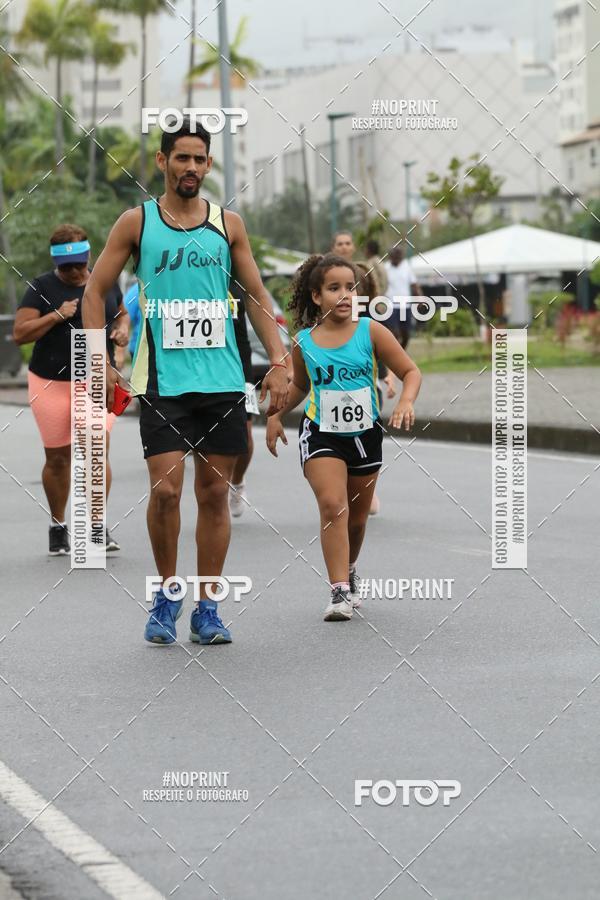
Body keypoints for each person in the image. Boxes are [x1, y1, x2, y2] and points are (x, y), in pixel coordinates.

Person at [82, 117, 288, 646]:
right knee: (168, 491)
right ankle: (167, 591)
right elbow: (94, 291)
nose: (191, 167)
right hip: (161, 382)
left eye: (199, 159)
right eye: (182, 158)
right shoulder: (136, 223)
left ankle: (208, 607)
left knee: (214, 494)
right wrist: (99, 358)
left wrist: (280, 360)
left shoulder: (229, 225)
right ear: (162, 162)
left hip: (221, 379)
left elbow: (256, 297)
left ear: (209, 165)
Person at [266, 253, 421, 622]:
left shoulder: (371, 331)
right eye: (334, 288)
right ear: (316, 296)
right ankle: (338, 591)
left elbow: (410, 370)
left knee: (357, 518)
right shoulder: (304, 341)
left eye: (350, 287)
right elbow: (301, 385)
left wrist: (406, 400)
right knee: (333, 505)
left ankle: (349, 567)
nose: (345, 294)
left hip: (364, 435)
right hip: (321, 434)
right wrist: (275, 414)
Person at [13, 224, 128, 555]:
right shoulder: (41, 287)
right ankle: (58, 525)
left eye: (80, 264)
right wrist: (56, 316)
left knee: (96, 452)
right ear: (56, 263)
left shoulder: (104, 282)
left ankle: (96, 525)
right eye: (67, 267)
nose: (76, 272)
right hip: (50, 382)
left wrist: (121, 331)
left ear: (89, 256)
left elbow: (121, 316)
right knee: (59, 458)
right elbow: (20, 333)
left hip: (94, 378)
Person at [384, 246, 423, 349]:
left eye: (398, 255)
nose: (396, 258)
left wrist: (419, 299)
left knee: (406, 334)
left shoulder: (407, 267)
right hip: (390, 305)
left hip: (405, 305)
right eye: (393, 255)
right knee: (394, 333)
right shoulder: (385, 268)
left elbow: (414, 285)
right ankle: (394, 356)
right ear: (390, 256)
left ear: (401, 256)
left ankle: (401, 354)